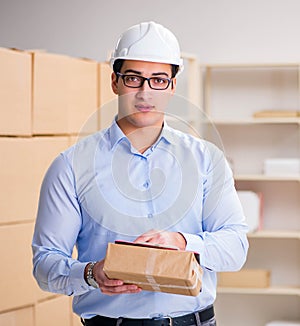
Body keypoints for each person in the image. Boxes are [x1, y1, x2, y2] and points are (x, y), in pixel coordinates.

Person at [32, 21, 249, 326]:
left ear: (173, 86)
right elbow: (45, 263)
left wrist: (183, 242)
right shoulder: (71, 166)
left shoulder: (206, 160)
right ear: (115, 82)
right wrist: (92, 274)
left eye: (158, 80)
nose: (146, 92)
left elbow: (236, 248)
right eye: (133, 78)